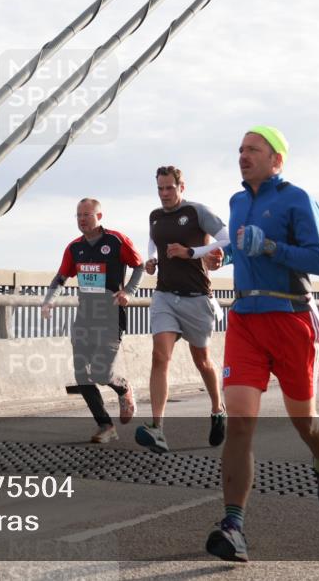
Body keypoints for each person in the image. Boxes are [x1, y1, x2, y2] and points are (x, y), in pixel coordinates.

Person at [205, 126, 319, 563]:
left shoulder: (297, 199)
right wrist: (222, 256)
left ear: (276, 159)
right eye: (241, 149)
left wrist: (270, 247)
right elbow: (239, 248)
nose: (243, 155)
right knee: (241, 422)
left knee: (306, 423)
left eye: (253, 149)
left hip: (289, 318)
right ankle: (234, 526)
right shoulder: (237, 201)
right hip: (245, 319)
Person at [134, 165, 229, 454]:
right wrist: (150, 260)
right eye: (160, 188)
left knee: (202, 361)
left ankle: (217, 408)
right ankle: (157, 428)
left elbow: (225, 239)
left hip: (196, 297)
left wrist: (192, 253)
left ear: (181, 187)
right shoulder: (155, 216)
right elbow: (154, 240)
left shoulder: (198, 212)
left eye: (169, 188)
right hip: (164, 296)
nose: (164, 194)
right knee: (160, 356)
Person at [42, 198, 145, 443]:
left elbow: (139, 266)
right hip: (85, 316)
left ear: (99, 216)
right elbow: (60, 278)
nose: (82, 219)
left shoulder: (116, 241)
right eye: (78, 215)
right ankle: (105, 425)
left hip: (110, 316)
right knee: (81, 374)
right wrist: (49, 300)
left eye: (87, 215)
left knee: (100, 373)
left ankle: (122, 387)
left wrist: (128, 292)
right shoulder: (74, 247)